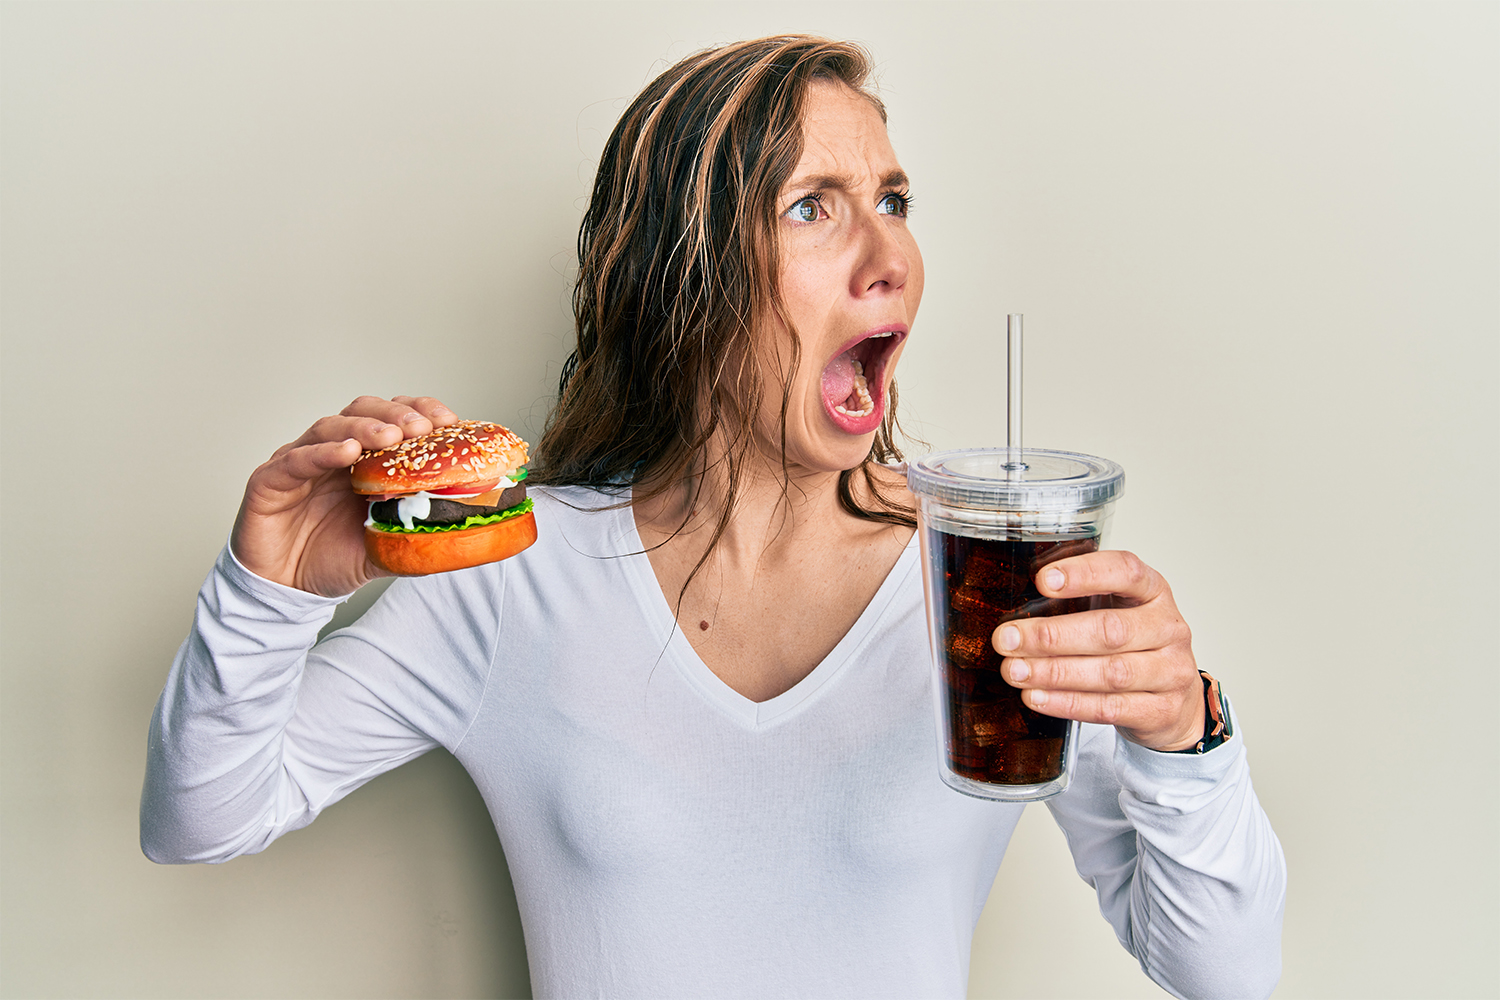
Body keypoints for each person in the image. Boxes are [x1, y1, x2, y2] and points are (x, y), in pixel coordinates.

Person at [142, 36, 1285, 999]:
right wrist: (269, 589)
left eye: (893, 200)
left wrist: (1185, 731)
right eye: (813, 209)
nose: (893, 258)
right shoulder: (515, 574)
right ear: (682, 279)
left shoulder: (992, 586)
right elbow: (203, 816)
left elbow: (1221, 970)